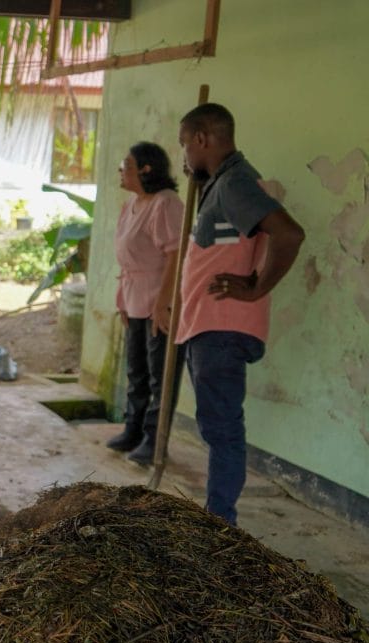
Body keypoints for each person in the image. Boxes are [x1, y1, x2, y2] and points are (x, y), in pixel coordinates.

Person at [173, 103, 305, 525]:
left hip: (222, 327)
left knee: (222, 429)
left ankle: (219, 523)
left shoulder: (235, 183)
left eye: (185, 147)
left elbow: (289, 234)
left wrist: (257, 287)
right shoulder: (220, 183)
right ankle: (218, 516)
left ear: (201, 139)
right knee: (216, 426)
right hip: (207, 324)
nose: (185, 158)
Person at [106, 142, 185, 466]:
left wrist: (164, 303)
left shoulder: (166, 204)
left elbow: (176, 255)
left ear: (146, 169)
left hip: (157, 298)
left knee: (159, 374)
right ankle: (134, 429)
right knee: (136, 370)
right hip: (134, 295)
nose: (121, 171)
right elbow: (127, 257)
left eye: (126, 165)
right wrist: (122, 298)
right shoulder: (133, 204)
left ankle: (155, 440)